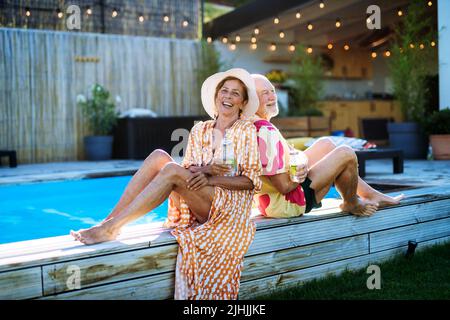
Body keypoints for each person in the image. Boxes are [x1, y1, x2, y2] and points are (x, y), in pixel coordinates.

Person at [71, 68, 262, 300]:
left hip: (229, 207)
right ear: (216, 97)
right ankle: (110, 221)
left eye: (235, 94)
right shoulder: (200, 129)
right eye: (224, 91)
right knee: (159, 156)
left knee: (171, 170)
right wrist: (204, 170)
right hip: (201, 196)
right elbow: (190, 168)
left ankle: (111, 228)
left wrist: (212, 177)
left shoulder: (246, 130)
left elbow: (251, 181)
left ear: (242, 103)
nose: (228, 97)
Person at [250, 74, 404, 218]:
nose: (273, 97)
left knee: (326, 145)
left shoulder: (254, 125)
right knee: (346, 154)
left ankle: (369, 193)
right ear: (252, 101)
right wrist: (300, 174)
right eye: (265, 93)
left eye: (273, 90)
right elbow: (284, 186)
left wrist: (299, 162)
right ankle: (351, 203)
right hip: (286, 202)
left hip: (268, 201)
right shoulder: (265, 131)